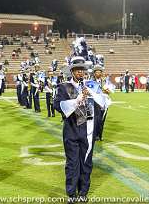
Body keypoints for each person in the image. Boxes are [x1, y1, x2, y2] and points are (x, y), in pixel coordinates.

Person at [54, 56, 105, 203]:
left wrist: (94, 96)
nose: (80, 73)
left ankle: (83, 192)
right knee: (72, 163)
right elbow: (58, 106)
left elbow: (99, 107)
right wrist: (77, 100)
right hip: (71, 130)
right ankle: (71, 194)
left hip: (87, 131)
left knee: (86, 162)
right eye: (77, 70)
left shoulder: (89, 86)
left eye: (82, 70)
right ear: (72, 71)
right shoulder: (64, 87)